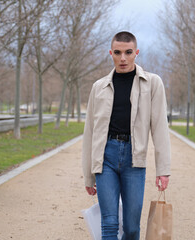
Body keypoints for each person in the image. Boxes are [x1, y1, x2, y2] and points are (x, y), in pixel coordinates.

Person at [82, 31, 171, 240]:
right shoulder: (99, 87)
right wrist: (88, 174)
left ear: (136, 53)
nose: (123, 58)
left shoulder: (152, 83)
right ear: (111, 53)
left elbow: (160, 128)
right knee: (109, 224)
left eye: (128, 52)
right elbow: (90, 133)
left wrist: (163, 170)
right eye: (118, 52)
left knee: (131, 228)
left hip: (135, 158)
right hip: (106, 158)